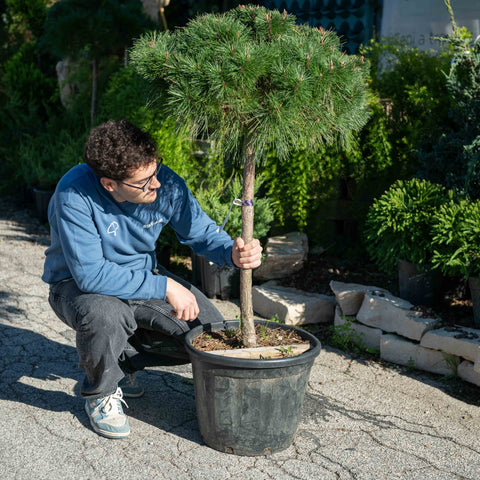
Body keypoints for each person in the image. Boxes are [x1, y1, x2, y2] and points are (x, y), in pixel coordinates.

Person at [42, 119, 263, 439]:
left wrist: (233, 253)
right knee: (106, 314)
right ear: (109, 184)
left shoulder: (165, 183)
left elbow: (201, 234)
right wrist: (165, 286)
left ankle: (123, 361)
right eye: (143, 182)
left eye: (155, 171)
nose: (156, 185)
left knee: (209, 334)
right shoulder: (74, 193)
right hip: (74, 286)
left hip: (140, 277)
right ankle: (100, 392)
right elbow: (91, 275)